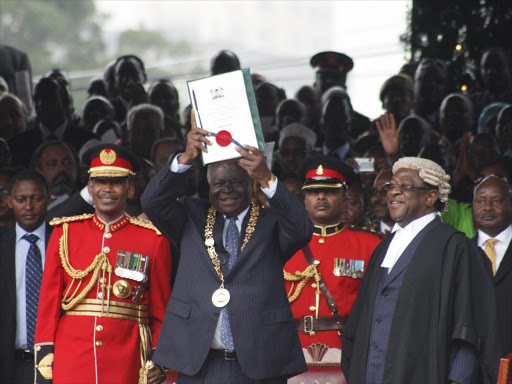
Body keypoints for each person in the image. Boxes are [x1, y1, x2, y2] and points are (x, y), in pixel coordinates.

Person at [141, 111, 313, 383]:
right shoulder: (191, 216)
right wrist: (186, 158)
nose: (227, 190)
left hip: (259, 361)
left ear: (250, 184)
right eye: (219, 183)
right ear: (208, 187)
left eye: (236, 182)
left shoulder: (270, 224)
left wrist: (267, 177)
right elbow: (152, 202)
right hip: (200, 361)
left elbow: (302, 230)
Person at [342, 157, 501, 384]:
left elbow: (470, 324)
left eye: (405, 186)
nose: (393, 192)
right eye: (391, 186)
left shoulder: (456, 247)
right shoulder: (383, 247)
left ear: (430, 197)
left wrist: (459, 379)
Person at [34, 144, 172, 384]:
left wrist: (158, 359)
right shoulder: (65, 232)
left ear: (130, 189)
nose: (107, 189)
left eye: (116, 182)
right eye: (100, 182)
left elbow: (161, 311)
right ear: (90, 187)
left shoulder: (153, 240)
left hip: (127, 361)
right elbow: (48, 305)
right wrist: (44, 362)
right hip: (72, 359)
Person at [283, 156, 380, 383]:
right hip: (292, 350)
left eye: (330, 191)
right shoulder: (284, 244)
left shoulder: (369, 244)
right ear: (304, 198)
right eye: (314, 191)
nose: (321, 197)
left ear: (344, 197)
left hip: (346, 350)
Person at [0, 170, 51, 384]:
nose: (29, 207)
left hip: (57, 361)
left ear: (48, 199)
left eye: (36, 198)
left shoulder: (62, 240)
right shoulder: (2, 243)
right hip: (9, 364)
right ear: (9, 201)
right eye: (21, 200)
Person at [8, 77, 96, 167]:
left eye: (49, 97)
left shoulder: (87, 142)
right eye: (37, 98)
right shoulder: (18, 146)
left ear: (65, 102)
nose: (41, 103)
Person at [472, 175, 512, 354]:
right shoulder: (461, 252)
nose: (487, 207)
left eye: (496, 201)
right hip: (472, 361)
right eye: (480, 201)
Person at [31, 141, 79, 209]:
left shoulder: (89, 202)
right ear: (39, 171)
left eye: (67, 163)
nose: (61, 169)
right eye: (52, 164)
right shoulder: (30, 205)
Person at [412, 58, 449, 131]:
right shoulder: (402, 119)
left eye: (438, 81)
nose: (431, 85)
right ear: (414, 83)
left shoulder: (450, 123)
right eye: (425, 79)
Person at [369, 169, 394, 236]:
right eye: (374, 192)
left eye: (385, 192)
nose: (376, 199)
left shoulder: (416, 232)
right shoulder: (367, 233)